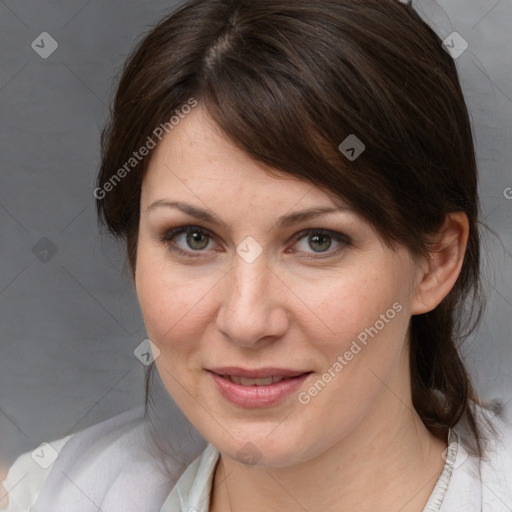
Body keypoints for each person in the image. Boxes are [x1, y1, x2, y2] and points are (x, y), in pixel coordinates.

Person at [2, 0, 511, 510]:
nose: (246, 321)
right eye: (194, 238)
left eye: (318, 241)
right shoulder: (46, 496)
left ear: (436, 261)